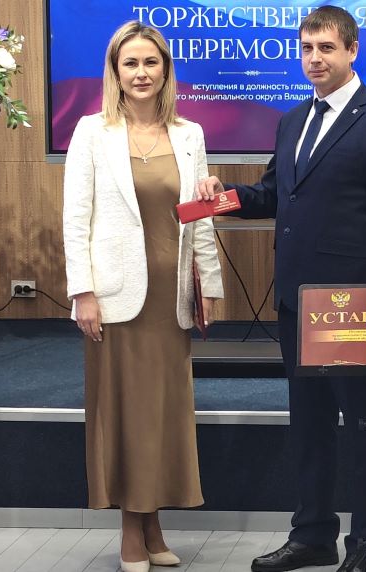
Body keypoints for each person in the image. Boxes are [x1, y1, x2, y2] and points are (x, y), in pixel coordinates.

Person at [196, 6, 366, 572]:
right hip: (298, 304)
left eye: (325, 48)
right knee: (310, 427)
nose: (314, 59)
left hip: (353, 311)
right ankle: (313, 536)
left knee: (365, 430)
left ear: (352, 50)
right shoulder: (293, 120)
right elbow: (275, 195)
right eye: (306, 49)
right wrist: (224, 198)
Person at [63, 21, 224, 572]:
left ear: (165, 70)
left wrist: (209, 287)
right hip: (114, 300)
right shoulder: (91, 132)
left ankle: (153, 527)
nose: (141, 73)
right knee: (125, 416)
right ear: (115, 71)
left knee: (161, 415)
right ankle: (131, 531)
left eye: (150, 62)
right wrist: (82, 292)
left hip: (170, 300)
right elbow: (75, 219)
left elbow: (199, 218)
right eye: (130, 63)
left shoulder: (190, 134)